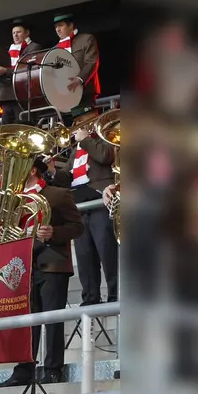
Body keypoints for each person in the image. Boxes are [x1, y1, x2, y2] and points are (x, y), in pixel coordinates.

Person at [0, 158, 85, 386]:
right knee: (24, 320)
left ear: (32, 170)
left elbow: (78, 227)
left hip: (52, 264)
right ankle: (24, 370)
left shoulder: (59, 194)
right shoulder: (11, 199)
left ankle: (53, 368)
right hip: (21, 265)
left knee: (53, 319)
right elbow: (4, 228)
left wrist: (54, 232)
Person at [66, 108, 119, 304]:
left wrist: (86, 139)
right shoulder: (76, 150)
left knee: (107, 250)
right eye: (77, 121)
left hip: (100, 202)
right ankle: (90, 297)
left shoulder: (105, 137)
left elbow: (106, 156)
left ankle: (116, 294)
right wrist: (51, 171)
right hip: (79, 204)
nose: (78, 124)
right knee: (84, 254)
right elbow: (66, 174)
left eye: (82, 119)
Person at [0, 18, 46, 120]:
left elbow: (26, 68)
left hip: (22, 94)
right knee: (7, 126)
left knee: (22, 124)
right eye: (13, 33)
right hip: (6, 95)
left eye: (18, 32)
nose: (15, 35)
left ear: (27, 33)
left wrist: (6, 71)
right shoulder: (10, 49)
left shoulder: (34, 47)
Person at [53, 13, 100, 99]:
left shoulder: (86, 39)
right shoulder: (55, 48)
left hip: (85, 90)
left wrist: (79, 79)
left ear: (71, 25)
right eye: (56, 27)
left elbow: (92, 62)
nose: (57, 29)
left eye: (60, 26)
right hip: (63, 94)